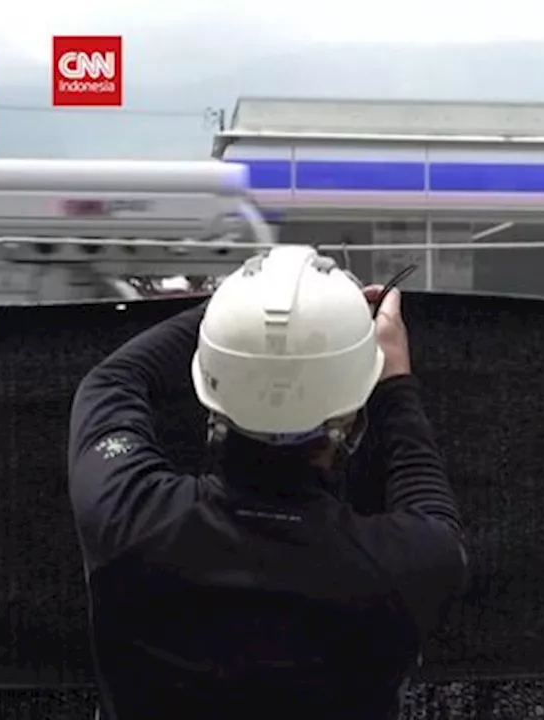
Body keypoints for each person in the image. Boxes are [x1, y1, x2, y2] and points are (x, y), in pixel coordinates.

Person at [67, 245, 468, 720]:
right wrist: (391, 381)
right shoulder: (407, 567)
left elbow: (111, 382)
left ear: (210, 392)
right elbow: (431, 507)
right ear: (352, 412)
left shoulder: (127, 518)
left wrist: (242, 318)